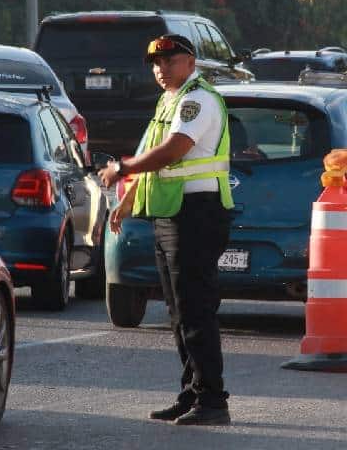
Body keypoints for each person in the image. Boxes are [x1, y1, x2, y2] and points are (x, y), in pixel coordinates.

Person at [99, 34, 233, 426]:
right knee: (178, 312)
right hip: (172, 213)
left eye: (170, 61)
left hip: (197, 214)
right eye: (156, 63)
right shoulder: (169, 100)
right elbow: (154, 151)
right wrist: (128, 199)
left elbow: (173, 150)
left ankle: (212, 401)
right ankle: (192, 393)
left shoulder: (198, 100)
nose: (161, 69)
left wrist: (122, 169)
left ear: (190, 62)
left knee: (196, 311)